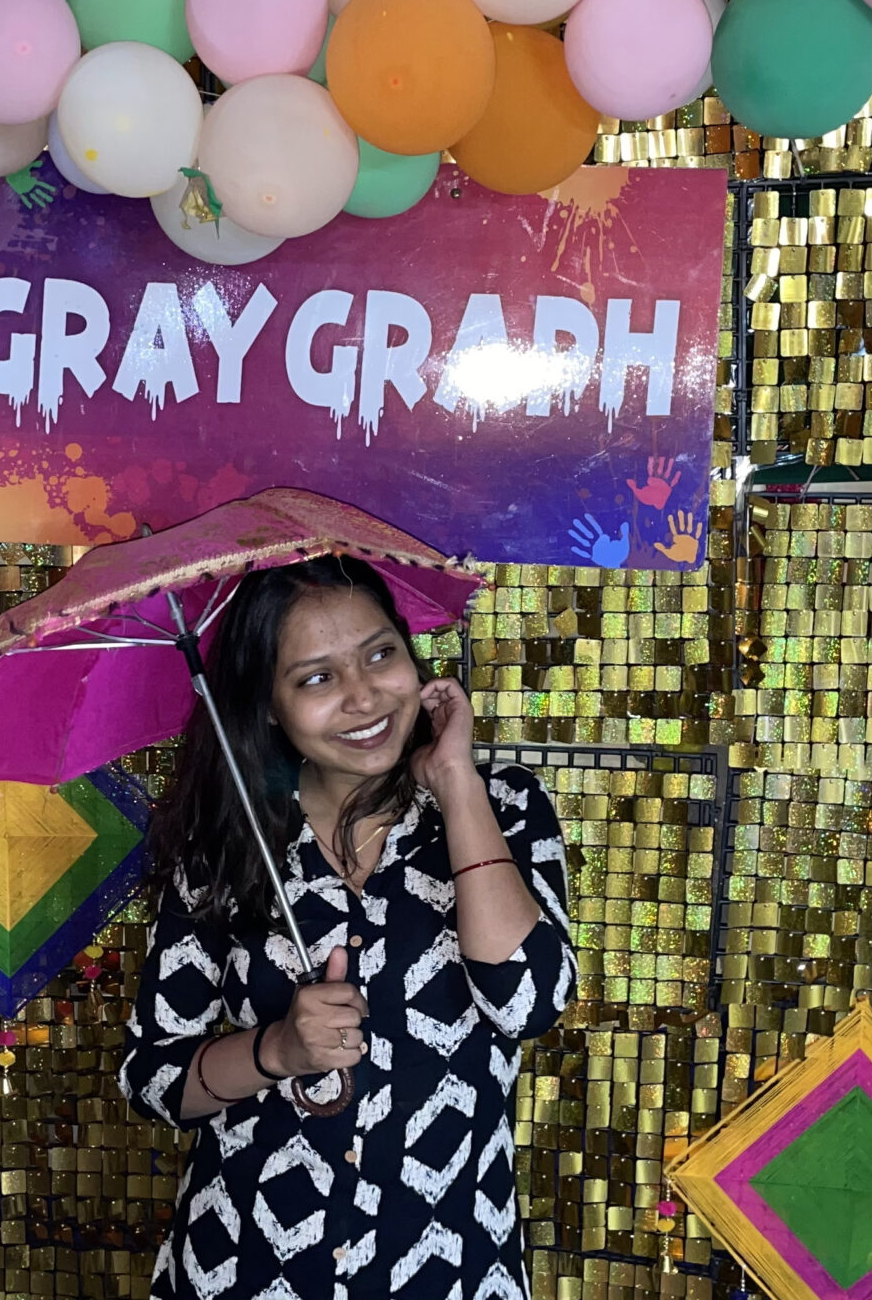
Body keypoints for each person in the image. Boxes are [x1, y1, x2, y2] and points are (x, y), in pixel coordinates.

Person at [118, 555, 578, 1300]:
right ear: (269, 706)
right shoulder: (227, 844)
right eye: (316, 678)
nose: (364, 697)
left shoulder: (506, 807)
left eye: (380, 654)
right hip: (249, 1266)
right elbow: (154, 1078)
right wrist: (276, 1049)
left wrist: (455, 782)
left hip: (447, 1266)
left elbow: (527, 1002)